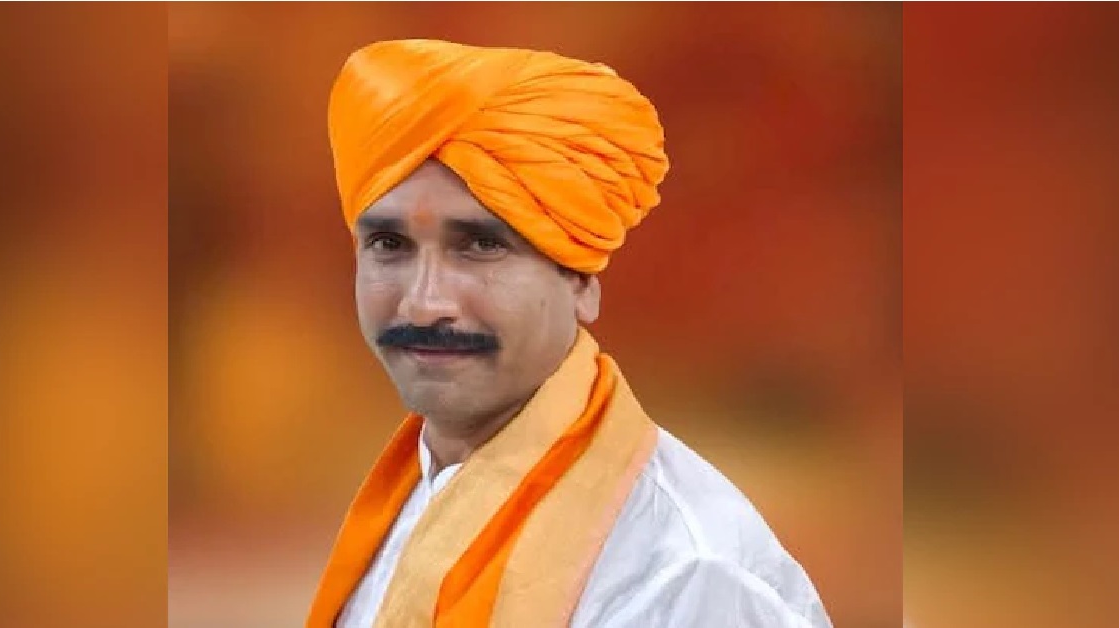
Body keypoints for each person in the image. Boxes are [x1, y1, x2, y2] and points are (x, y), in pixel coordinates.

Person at [307, 39, 832, 628]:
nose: (425, 303)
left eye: (480, 245)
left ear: (580, 278)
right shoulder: (409, 494)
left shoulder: (686, 576)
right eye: (389, 244)